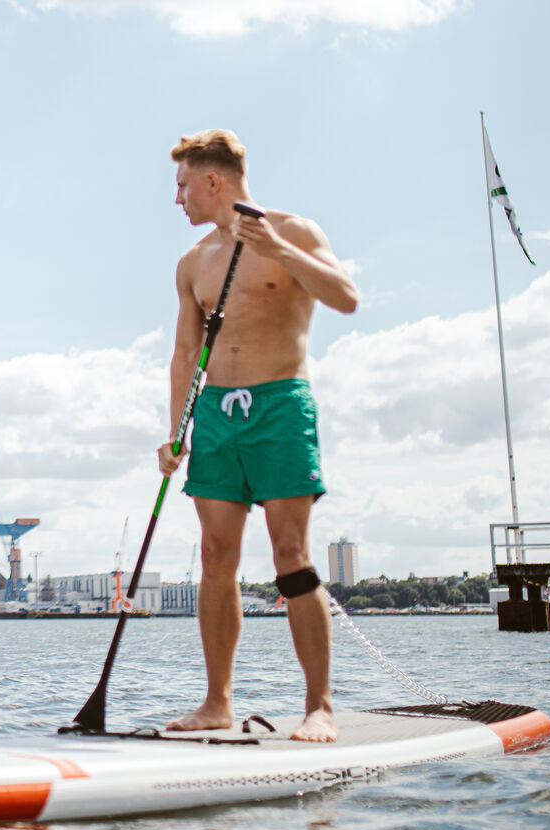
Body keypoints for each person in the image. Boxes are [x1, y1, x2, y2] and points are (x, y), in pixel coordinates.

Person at [159, 129, 358, 742]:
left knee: (290, 557)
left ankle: (319, 706)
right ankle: (217, 702)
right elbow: (186, 351)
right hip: (216, 414)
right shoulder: (193, 262)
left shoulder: (294, 232)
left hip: (280, 404)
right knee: (216, 556)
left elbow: (346, 298)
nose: (178, 199)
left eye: (183, 184)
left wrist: (279, 249)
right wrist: (175, 431)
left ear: (213, 181)